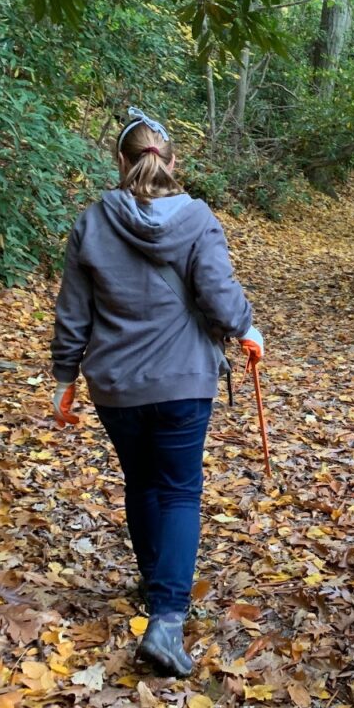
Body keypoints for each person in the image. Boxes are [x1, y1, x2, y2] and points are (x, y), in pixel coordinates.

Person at [50, 107, 263, 678]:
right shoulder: (196, 218)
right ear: (173, 162)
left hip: (115, 385)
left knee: (142, 482)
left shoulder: (92, 221)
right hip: (182, 382)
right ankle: (166, 620)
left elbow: (73, 312)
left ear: (120, 162)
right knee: (179, 491)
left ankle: (156, 586)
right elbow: (219, 294)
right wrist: (247, 328)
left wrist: (64, 379)